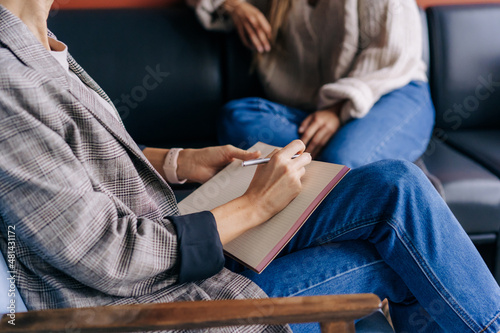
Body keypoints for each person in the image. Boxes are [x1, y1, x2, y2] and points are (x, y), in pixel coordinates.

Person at [0, 1, 499, 333]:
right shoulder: (8, 81)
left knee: (398, 185)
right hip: (152, 300)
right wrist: (255, 204)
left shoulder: (39, 41)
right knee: (400, 259)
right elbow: (108, 255)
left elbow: (78, 161)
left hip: (171, 246)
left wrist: (182, 160)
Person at [195, 0, 435, 168]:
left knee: (341, 160)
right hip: (313, 111)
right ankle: (359, 157)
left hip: (389, 90)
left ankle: (349, 158)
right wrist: (234, 5)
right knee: (235, 118)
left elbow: (392, 55)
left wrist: (337, 110)